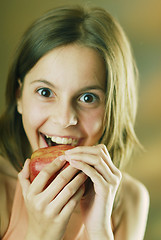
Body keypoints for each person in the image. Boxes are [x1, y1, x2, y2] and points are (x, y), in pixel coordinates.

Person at [0, 5, 149, 240]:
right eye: (45, 92)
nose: (65, 118)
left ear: (112, 108)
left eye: (88, 98)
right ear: (19, 97)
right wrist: (42, 234)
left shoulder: (130, 199)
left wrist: (100, 230)